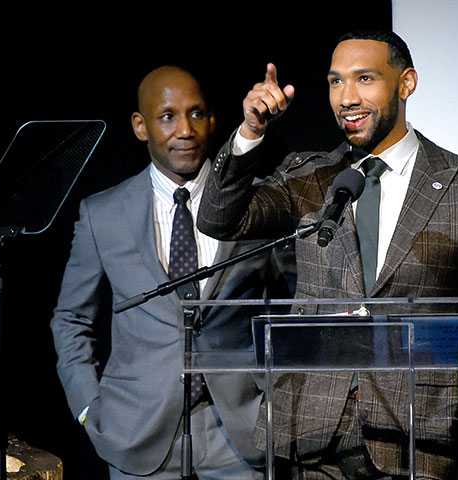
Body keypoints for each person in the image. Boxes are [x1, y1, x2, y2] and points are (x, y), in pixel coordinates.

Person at [197, 29, 458, 479]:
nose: (346, 97)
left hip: (414, 429)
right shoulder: (308, 175)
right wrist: (250, 133)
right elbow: (219, 219)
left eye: (364, 79)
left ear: (406, 83)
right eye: (335, 82)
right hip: (307, 425)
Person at [50, 65, 289, 479]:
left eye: (196, 114)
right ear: (141, 126)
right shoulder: (102, 213)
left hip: (240, 431)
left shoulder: (258, 204)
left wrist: (279, 398)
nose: (185, 130)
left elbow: (305, 303)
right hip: (135, 431)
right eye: (167, 117)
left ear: (213, 120)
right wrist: (89, 408)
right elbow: (71, 319)